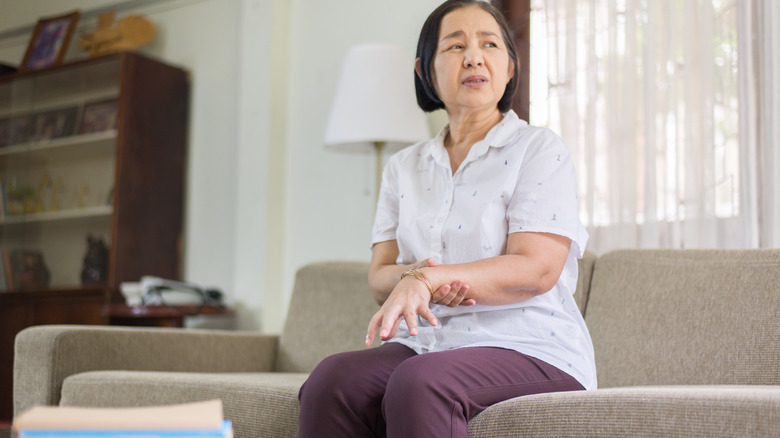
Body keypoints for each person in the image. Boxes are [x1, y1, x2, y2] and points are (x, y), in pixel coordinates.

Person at [298, 1, 596, 436]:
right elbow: (380, 278)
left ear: (510, 67)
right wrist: (416, 279)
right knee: (332, 379)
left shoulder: (539, 150)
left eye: (489, 44)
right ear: (425, 70)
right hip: (430, 344)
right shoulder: (403, 167)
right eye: (455, 46)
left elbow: (536, 269)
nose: (474, 56)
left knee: (419, 383)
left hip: (531, 345)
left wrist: (424, 281)